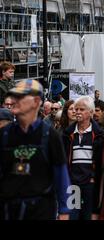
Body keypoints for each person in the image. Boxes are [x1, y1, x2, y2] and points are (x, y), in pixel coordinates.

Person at [0, 79, 71, 220]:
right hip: (9, 209)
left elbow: (61, 176)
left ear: (36, 101)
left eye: (20, 96)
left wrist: (64, 212)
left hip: (41, 209)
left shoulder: (50, 136)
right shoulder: (4, 135)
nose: (14, 100)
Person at [62, 96, 104, 220]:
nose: (77, 112)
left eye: (82, 109)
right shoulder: (67, 134)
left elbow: (101, 160)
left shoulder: (99, 134)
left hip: (91, 184)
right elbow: (63, 159)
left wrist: (93, 176)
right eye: (76, 109)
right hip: (73, 185)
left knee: (88, 216)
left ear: (91, 112)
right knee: (73, 216)